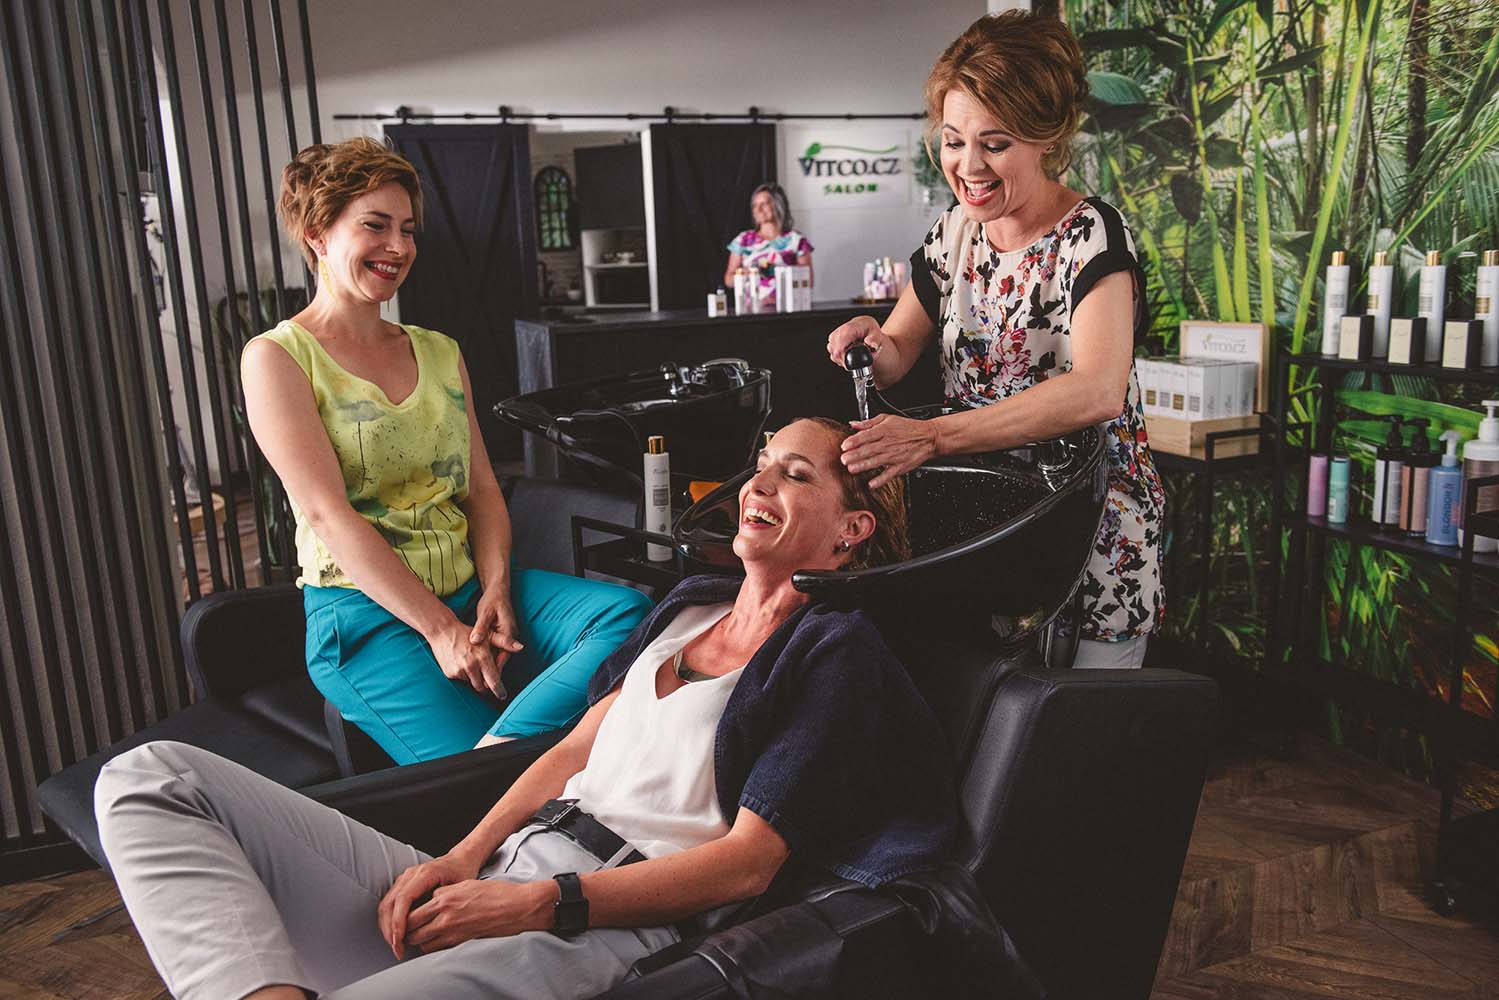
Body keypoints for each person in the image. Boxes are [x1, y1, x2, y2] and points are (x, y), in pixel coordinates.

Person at [93, 417, 955, 1000]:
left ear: (851, 532)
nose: (759, 481)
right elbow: (571, 752)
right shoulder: (690, 607)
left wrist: (537, 905)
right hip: (498, 876)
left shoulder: (833, 652)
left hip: (594, 926)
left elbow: (745, 867)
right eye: (762, 463)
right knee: (150, 778)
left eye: (795, 474)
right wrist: (461, 858)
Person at [240, 137, 653, 764]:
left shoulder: (438, 351)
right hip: (365, 617)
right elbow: (327, 515)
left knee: (629, 615)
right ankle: (501, 771)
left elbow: (482, 489)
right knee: (490, 782)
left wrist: (496, 590)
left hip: (469, 589)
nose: (399, 246)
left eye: (408, 230)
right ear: (318, 234)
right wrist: (439, 630)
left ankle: (504, 754)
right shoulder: (278, 358)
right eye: (375, 226)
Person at [826, 11, 1165, 669]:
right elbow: (896, 351)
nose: (968, 165)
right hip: (987, 528)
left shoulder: (1091, 235)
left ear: (1046, 138)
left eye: (995, 143)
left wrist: (932, 437)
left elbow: (1097, 390)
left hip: (1088, 527)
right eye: (953, 141)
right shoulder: (954, 233)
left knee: (1072, 724)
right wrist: (872, 341)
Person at [724, 182, 813, 311]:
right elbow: (728, 280)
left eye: (764, 204)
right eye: (754, 205)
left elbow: (808, 280)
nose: (758, 209)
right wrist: (747, 273)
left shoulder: (796, 240)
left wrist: (779, 272)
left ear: (777, 205)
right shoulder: (743, 240)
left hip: (788, 309)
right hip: (752, 310)